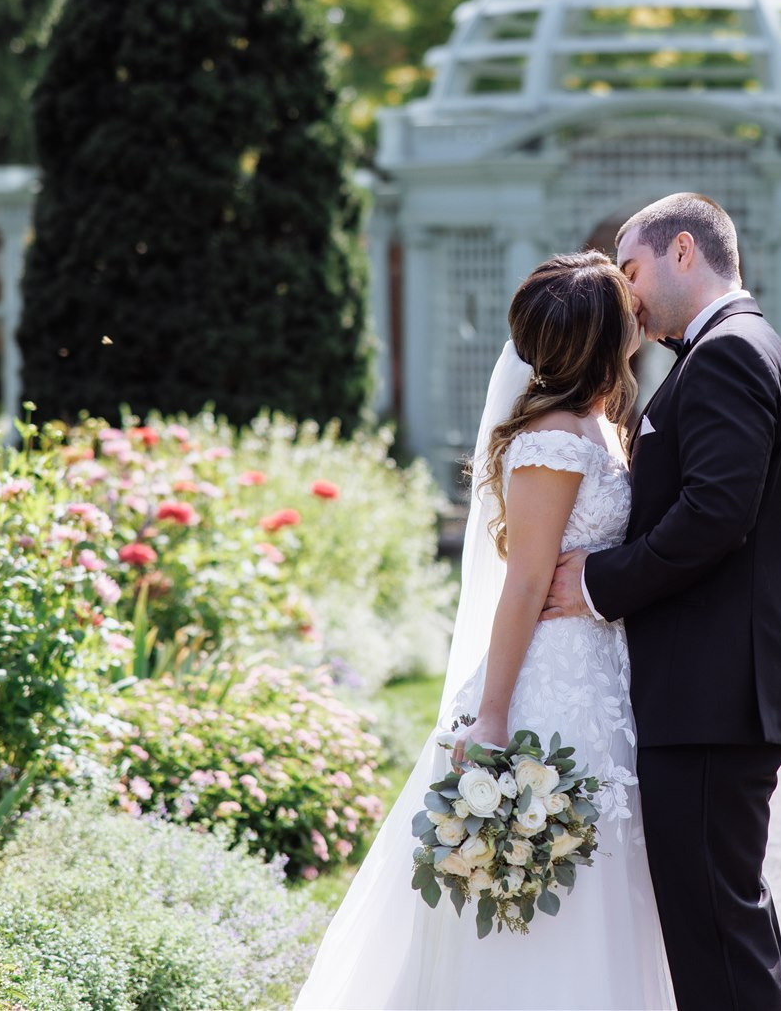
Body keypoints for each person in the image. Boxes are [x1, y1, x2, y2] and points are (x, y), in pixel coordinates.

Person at [296, 251, 675, 1010]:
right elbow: (524, 585)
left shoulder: (599, 424)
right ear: (600, 338)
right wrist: (496, 715)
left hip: (605, 671)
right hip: (550, 683)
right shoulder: (553, 441)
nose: (641, 309)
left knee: (611, 867)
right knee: (555, 866)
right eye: (624, 304)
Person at [543, 192, 781, 1011]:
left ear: (682, 250)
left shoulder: (728, 352)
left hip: (710, 699)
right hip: (713, 697)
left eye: (632, 270)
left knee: (716, 934)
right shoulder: (735, 347)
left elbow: (716, 513)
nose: (627, 295)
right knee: (725, 925)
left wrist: (594, 582)